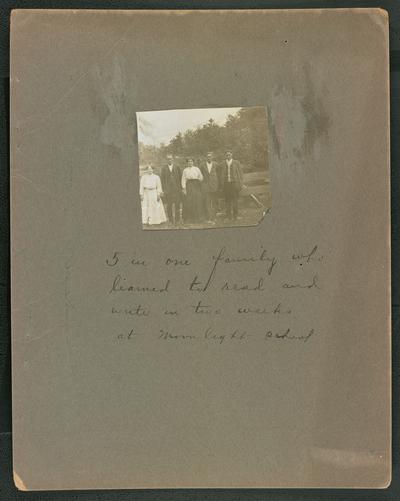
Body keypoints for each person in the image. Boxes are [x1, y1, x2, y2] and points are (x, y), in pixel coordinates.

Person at [220, 150, 243, 220]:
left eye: (229, 154)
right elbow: (219, 172)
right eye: (227, 155)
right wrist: (221, 183)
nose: (228, 156)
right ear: (225, 156)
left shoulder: (236, 162)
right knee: (227, 200)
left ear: (232, 155)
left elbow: (240, 173)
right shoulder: (223, 163)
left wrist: (241, 183)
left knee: (235, 200)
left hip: (234, 184)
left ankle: (235, 216)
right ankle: (228, 216)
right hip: (226, 184)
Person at [160, 154, 182, 225]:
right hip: (168, 190)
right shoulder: (164, 168)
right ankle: (171, 219)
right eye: (168, 159)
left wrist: (180, 188)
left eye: (171, 159)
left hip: (176, 189)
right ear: (166, 160)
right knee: (169, 205)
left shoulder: (177, 167)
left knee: (177, 205)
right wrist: (163, 189)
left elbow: (180, 177)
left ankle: (177, 219)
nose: (169, 160)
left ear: (173, 159)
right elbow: (162, 179)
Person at [181, 158, 204, 223]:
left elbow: (201, 177)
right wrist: (184, 188)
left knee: (197, 201)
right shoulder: (185, 170)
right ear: (187, 163)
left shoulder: (197, 169)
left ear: (193, 162)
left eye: (191, 161)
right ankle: (189, 218)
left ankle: (197, 218)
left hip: (196, 185)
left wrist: (198, 180)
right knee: (189, 201)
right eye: (189, 161)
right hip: (189, 185)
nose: (190, 162)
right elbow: (183, 179)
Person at [200, 152, 219, 224]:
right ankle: (208, 218)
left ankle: (214, 217)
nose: (209, 158)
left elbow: (219, 174)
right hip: (206, 187)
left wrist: (217, 185)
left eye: (210, 157)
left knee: (214, 202)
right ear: (206, 158)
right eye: (207, 157)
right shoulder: (202, 165)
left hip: (214, 186)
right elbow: (200, 175)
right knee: (207, 203)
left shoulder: (216, 164)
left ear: (212, 157)